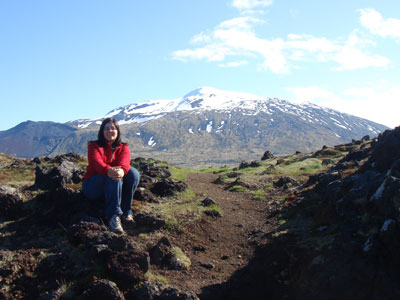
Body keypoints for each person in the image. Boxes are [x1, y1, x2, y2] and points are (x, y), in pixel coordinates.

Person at [82, 118, 140, 234]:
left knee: (133, 173)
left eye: (113, 128)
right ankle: (113, 216)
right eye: (106, 128)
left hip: (114, 185)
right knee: (113, 177)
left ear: (117, 131)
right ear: (102, 131)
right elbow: (97, 163)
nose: (110, 131)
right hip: (93, 187)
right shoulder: (94, 146)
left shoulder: (123, 147)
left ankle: (126, 211)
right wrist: (109, 171)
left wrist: (122, 171)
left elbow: (125, 162)